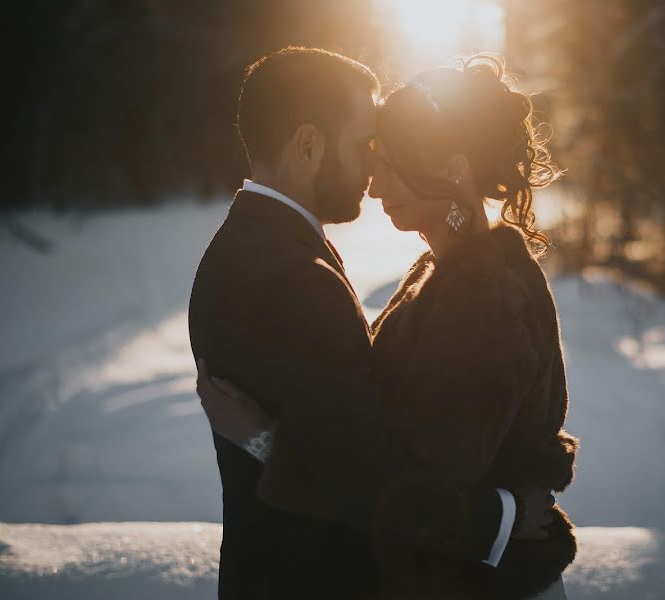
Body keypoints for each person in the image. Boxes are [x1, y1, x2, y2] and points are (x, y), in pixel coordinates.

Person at [195, 52, 579, 599]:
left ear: (453, 168)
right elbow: (379, 463)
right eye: (366, 149)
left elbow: (417, 488)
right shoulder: (437, 274)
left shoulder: (484, 293)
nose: (374, 185)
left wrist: (263, 441)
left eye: (390, 160)